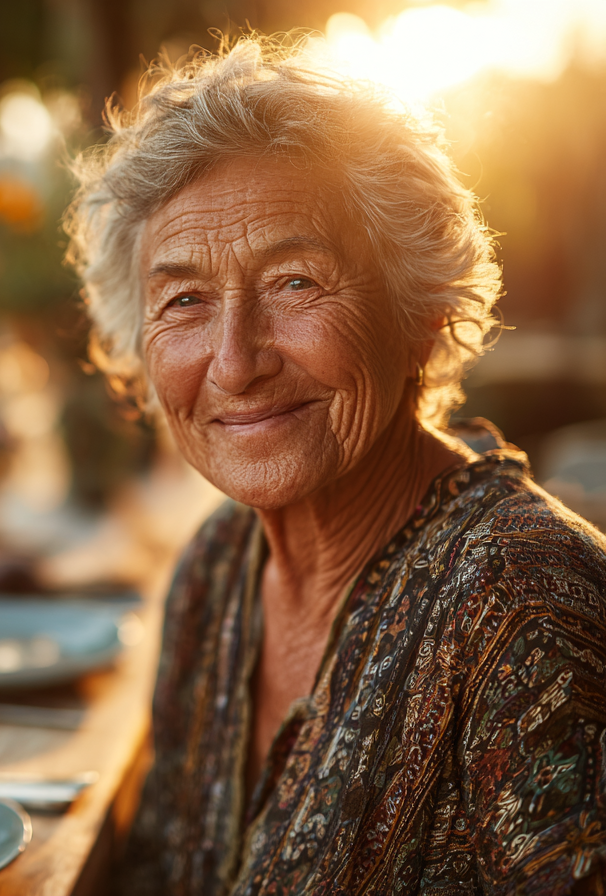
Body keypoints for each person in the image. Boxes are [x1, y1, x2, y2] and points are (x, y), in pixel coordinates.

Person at [66, 38, 606, 894]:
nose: (235, 363)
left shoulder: (528, 597)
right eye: (185, 301)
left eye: (295, 283)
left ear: (422, 311)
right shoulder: (215, 571)